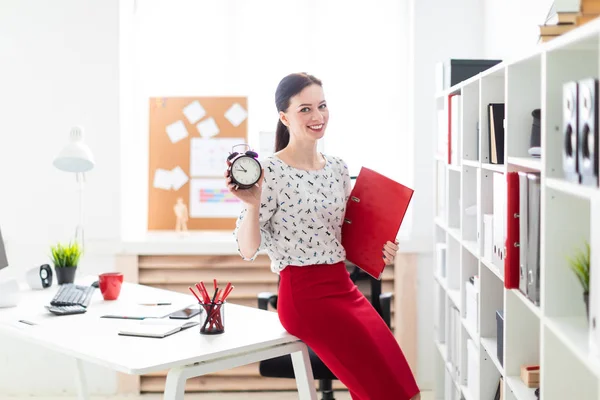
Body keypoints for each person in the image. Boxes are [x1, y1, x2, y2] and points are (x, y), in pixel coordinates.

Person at [226, 72, 420, 400]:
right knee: (384, 392)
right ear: (284, 116)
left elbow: (346, 236)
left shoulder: (337, 168)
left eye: (322, 106)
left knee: (404, 387)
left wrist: (381, 249)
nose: (317, 117)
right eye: (305, 109)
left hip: (344, 288)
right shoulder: (268, 172)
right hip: (305, 297)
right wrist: (252, 204)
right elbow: (247, 249)